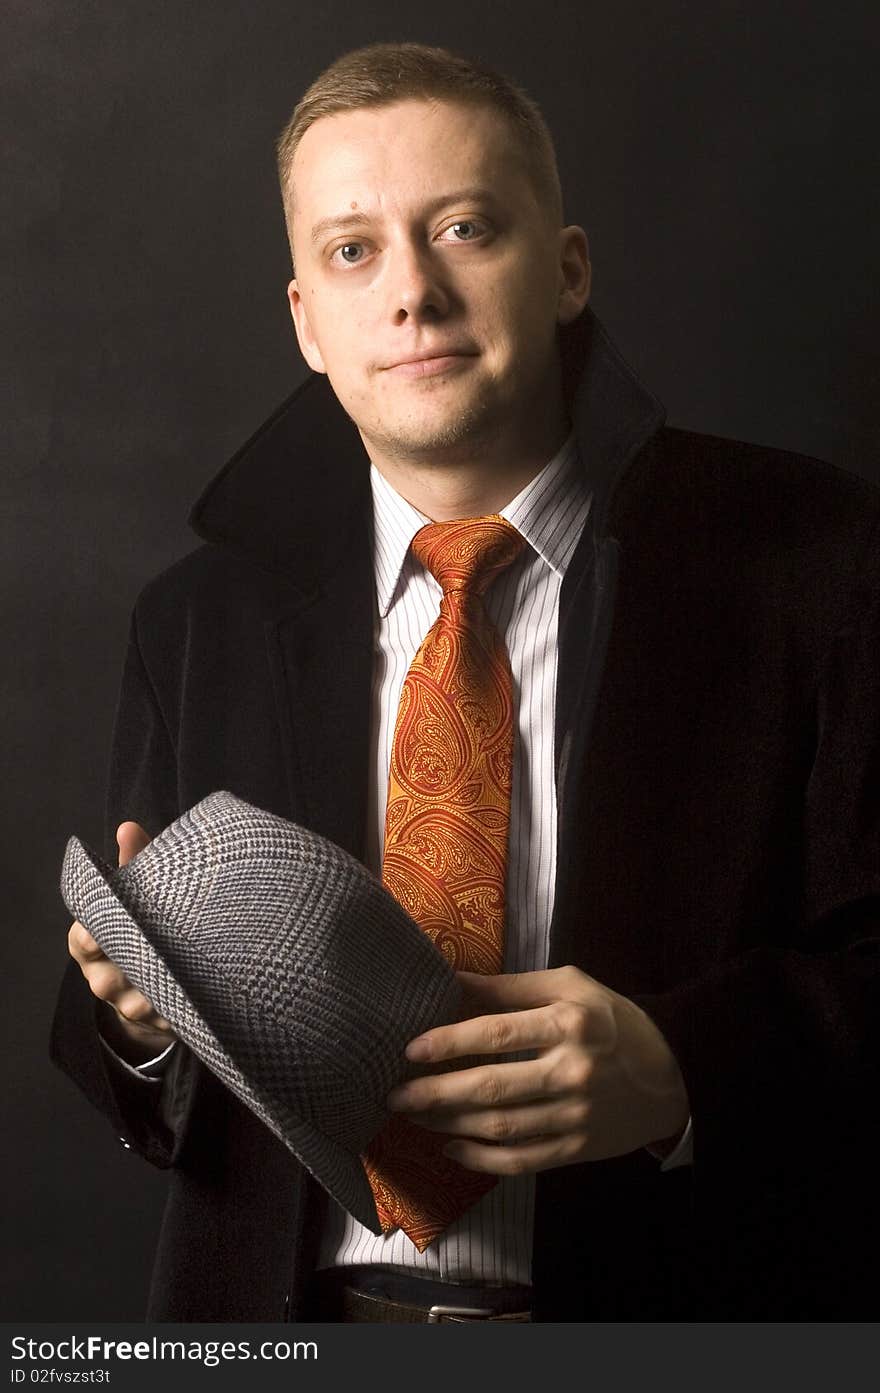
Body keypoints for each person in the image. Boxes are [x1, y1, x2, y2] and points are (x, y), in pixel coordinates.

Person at [51, 41, 880, 1322]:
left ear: (566, 270)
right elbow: (145, 1094)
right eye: (352, 251)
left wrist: (682, 1065)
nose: (413, 296)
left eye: (463, 228)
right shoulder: (196, 619)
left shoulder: (816, 559)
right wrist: (143, 1022)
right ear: (305, 326)